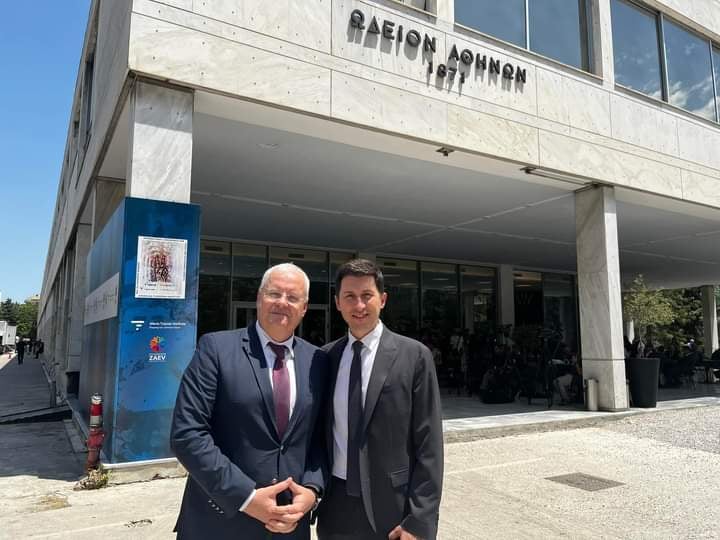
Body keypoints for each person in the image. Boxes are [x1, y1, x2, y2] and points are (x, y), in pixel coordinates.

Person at [170, 263, 328, 539]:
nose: (282, 302)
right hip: (221, 522)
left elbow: (319, 437)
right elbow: (188, 434)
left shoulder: (318, 361)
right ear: (259, 298)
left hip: (290, 524)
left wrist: (312, 491)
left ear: (304, 308)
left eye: (293, 297)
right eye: (274, 293)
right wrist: (246, 497)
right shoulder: (215, 349)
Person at [317, 259, 443, 540]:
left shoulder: (414, 356)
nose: (359, 305)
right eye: (350, 296)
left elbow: (429, 443)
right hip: (335, 508)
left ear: (383, 299)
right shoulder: (326, 357)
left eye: (367, 295)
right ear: (337, 303)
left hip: (393, 510)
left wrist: (420, 520)